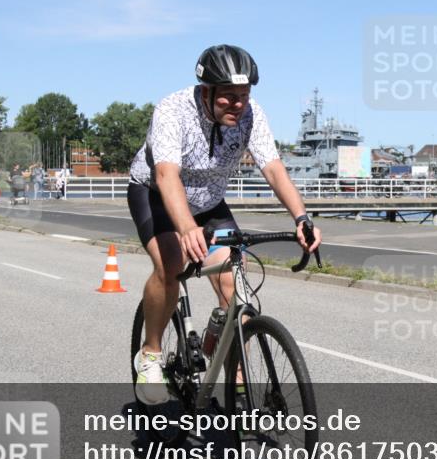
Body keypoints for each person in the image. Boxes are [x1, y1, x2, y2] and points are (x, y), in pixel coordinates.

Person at [127, 44, 321, 405]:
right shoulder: (172, 111)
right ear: (206, 91)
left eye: (244, 96)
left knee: (236, 282)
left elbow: (273, 169)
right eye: (228, 97)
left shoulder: (252, 115)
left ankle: (229, 356)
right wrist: (185, 229)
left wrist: (301, 217)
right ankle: (150, 354)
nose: (237, 104)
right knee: (172, 264)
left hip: (210, 201)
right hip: (157, 194)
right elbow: (168, 174)